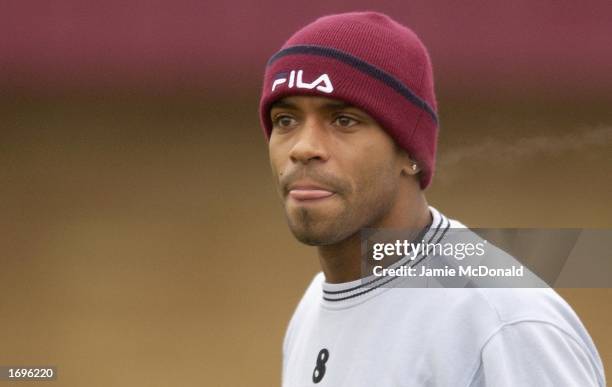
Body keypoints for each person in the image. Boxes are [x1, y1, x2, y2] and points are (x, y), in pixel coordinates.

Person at [258, 11, 606, 386]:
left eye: (344, 120)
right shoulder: (313, 308)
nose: (304, 148)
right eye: (285, 120)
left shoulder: (502, 322)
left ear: (409, 152)